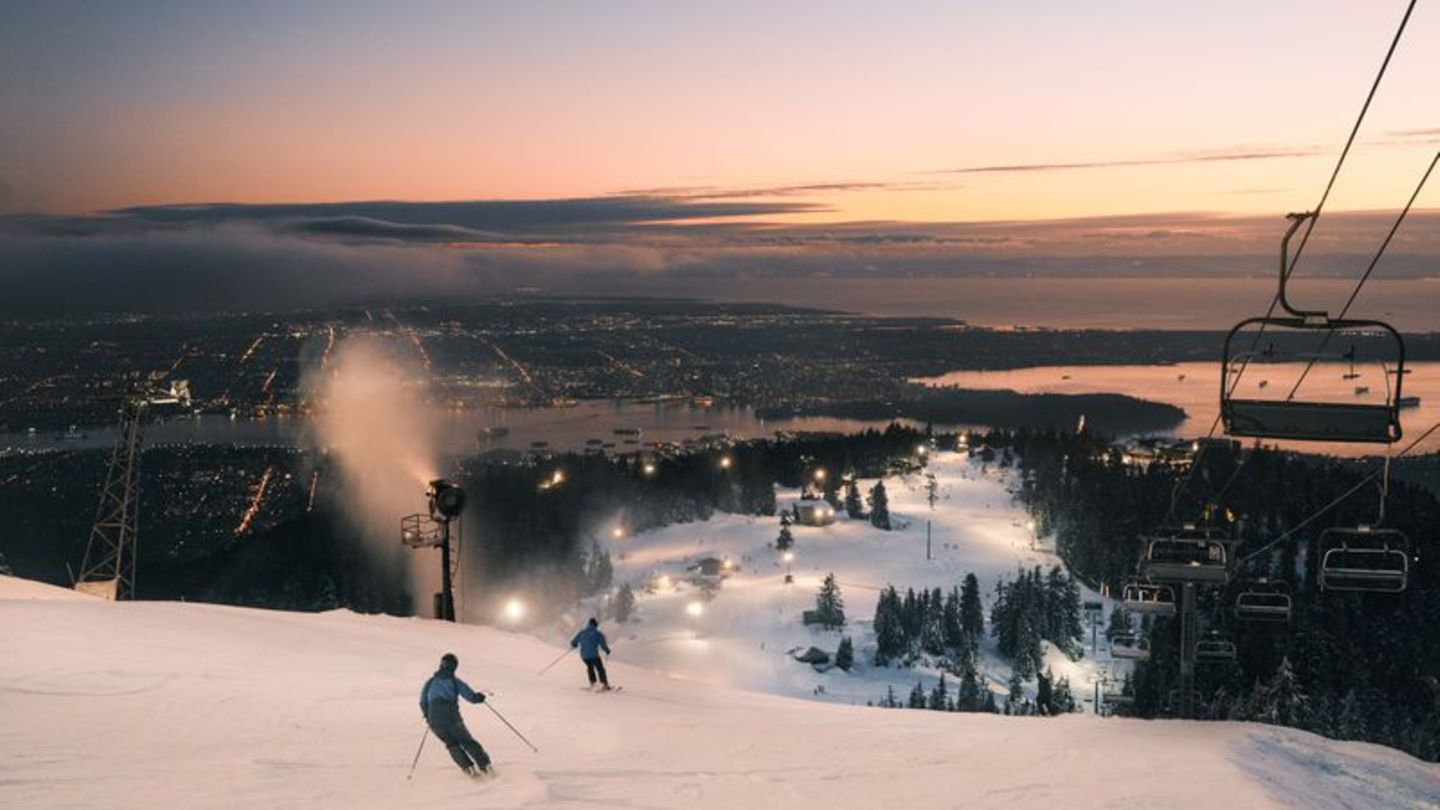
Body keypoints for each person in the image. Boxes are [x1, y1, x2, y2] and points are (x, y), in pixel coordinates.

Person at [419, 653, 492, 777]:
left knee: (451, 744)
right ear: (454, 666)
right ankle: (485, 766)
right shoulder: (454, 681)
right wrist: (479, 697)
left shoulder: (430, 682)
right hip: (451, 718)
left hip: (434, 722)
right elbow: (471, 697)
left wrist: (428, 715)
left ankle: (468, 768)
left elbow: (422, 702)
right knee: (466, 741)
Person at [570, 617, 612, 690]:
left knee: (590, 668)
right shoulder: (598, 634)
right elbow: (603, 644)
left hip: (584, 656)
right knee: (600, 669)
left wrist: (574, 645)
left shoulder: (582, 632)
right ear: (595, 625)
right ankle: (604, 684)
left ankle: (593, 683)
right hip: (594, 655)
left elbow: (573, 642)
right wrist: (607, 650)